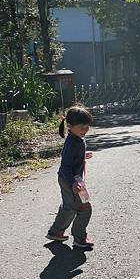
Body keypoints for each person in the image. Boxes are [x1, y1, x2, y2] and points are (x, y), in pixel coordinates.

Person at [46, 105, 94, 248]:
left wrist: (82, 156)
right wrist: (73, 183)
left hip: (70, 179)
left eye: (87, 127)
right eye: (82, 127)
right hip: (70, 180)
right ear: (70, 126)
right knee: (84, 208)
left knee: (69, 206)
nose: (85, 130)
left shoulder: (77, 138)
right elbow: (65, 166)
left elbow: (71, 159)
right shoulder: (72, 143)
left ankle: (56, 231)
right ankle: (79, 238)